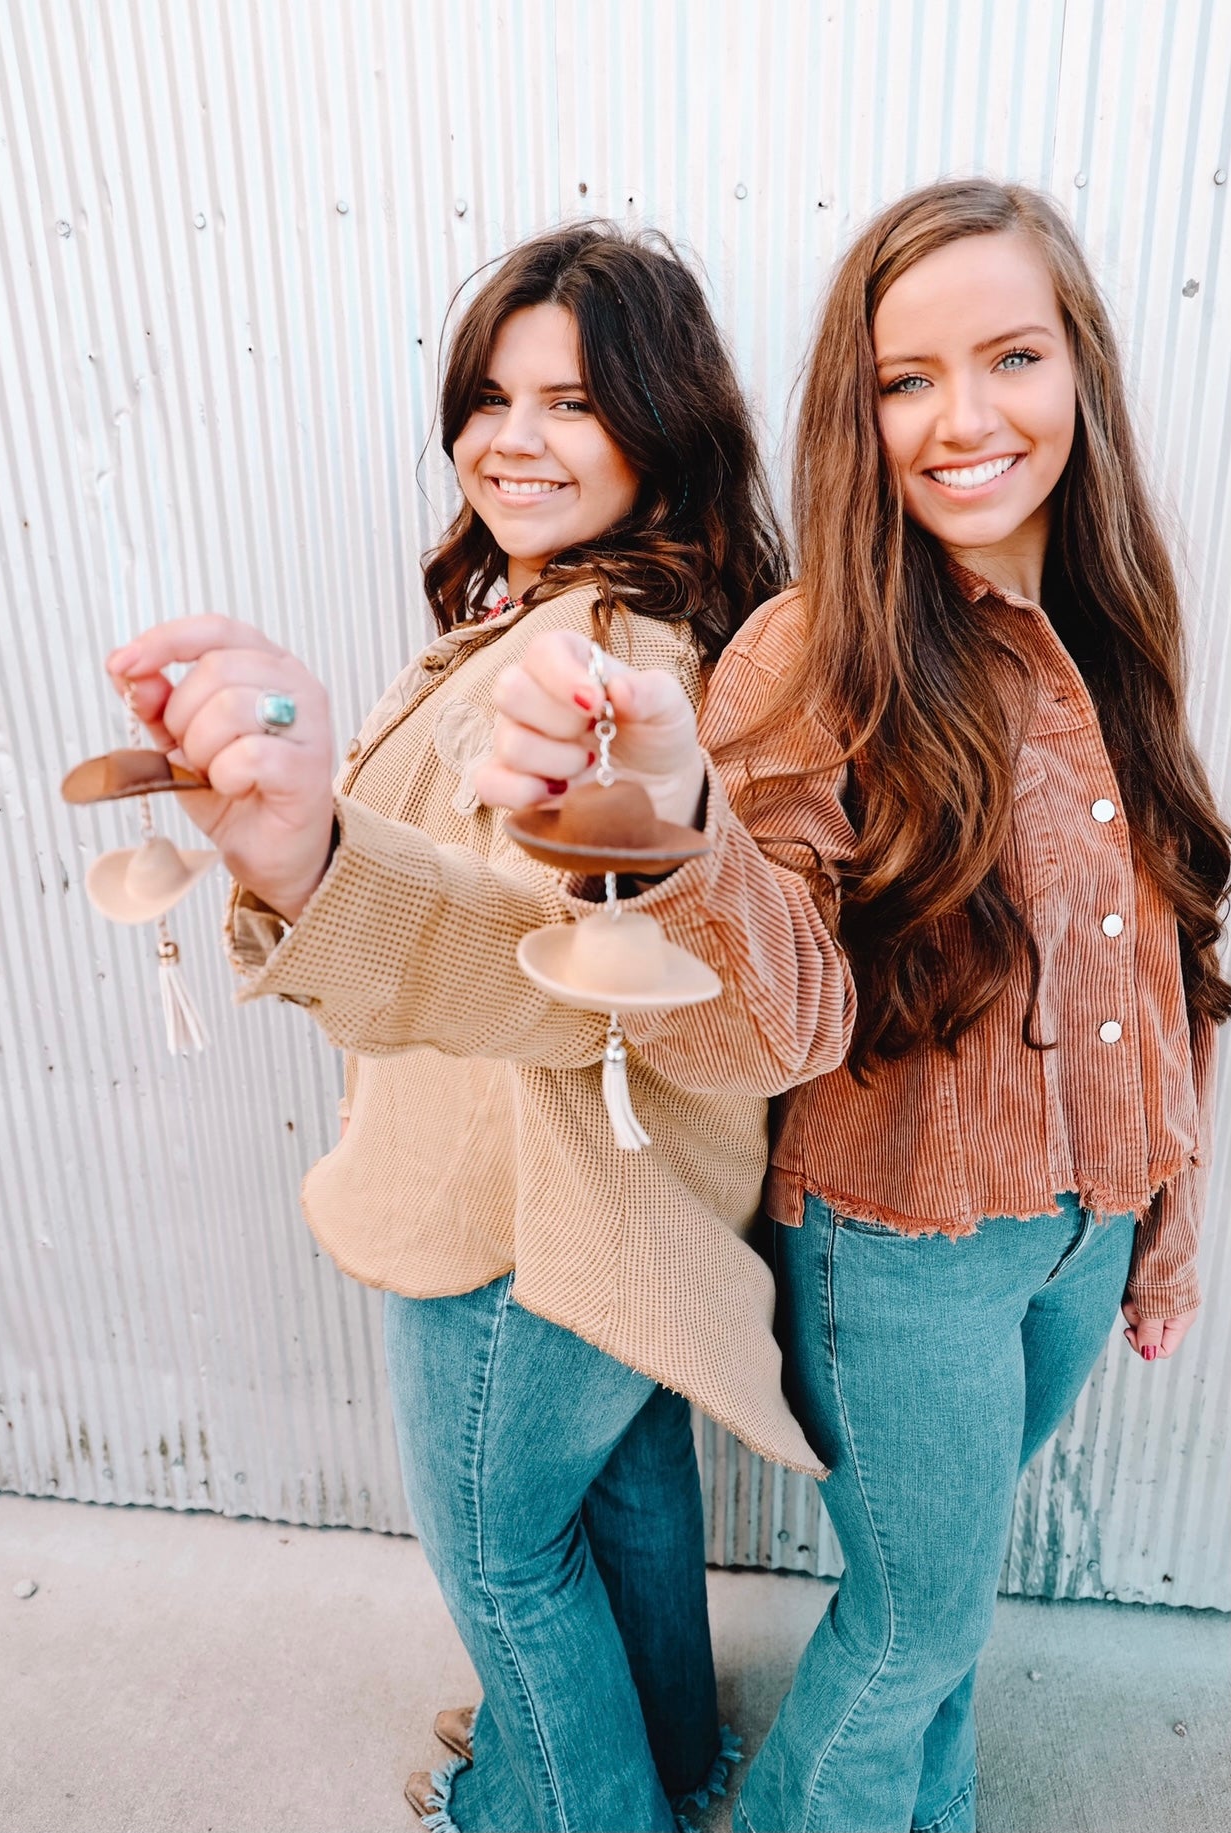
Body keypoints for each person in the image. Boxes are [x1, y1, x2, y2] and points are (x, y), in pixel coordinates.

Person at [479, 179, 1229, 1833]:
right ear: (855, 408)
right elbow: (777, 1017)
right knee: (918, 1620)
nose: (963, 418)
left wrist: (1162, 1225)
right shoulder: (808, 654)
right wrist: (676, 829)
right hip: (902, 1253)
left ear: (1078, 371)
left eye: (1010, 356)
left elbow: (1160, 957)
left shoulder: (1116, 619)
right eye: (905, 379)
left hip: (1076, 1227)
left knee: (938, 1601)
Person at [102, 223, 854, 1833]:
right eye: (492, 395)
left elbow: (542, 959)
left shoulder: (599, 660)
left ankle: (566, 1805)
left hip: (520, 1219)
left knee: (506, 1553)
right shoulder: (587, 618)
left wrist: (303, 857)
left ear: (662, 425)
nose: (514, 437)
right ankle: (668, 1763)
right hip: (618, 1214)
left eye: (573, 401)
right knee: (626, 1494)